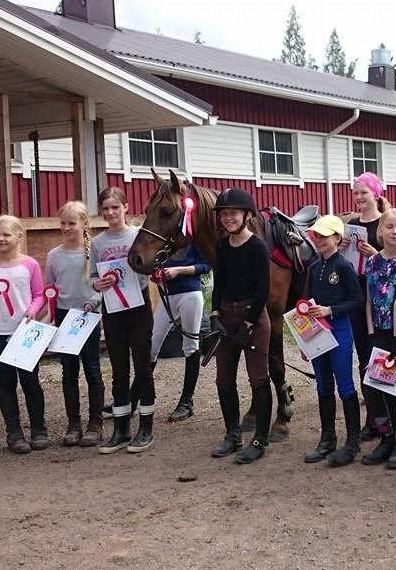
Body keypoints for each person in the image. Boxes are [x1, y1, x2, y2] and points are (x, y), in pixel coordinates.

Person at [208, 188, 273, 464]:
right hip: (227, 315)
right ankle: (233, 434)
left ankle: (259, 439)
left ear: (246, 215)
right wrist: (214, 313)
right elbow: (219, 281)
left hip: (253, 316)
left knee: (258, 377)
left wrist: (249, 323)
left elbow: (263, 289)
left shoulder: (257, 246)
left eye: (232, 213)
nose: (227, 218)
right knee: (223, 378)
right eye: (223, 214)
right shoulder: (223, 246)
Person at [0, 214, 47, 454]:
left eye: (6, 234)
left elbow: (39, 294)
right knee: (6, 382)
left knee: (30, 381)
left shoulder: (30, 265)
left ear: (18, 236)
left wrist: (32, 311)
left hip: (24, 331)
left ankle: (38, 429)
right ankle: (13, 432)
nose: (1, 238)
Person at [90, 187, 155, 455]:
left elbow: (150, 267)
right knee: (118, 369)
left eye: (115, 207)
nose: (110, 213)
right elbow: (93, 276)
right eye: (105, 209)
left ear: (125, 207)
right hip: (113, 310)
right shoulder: (97, 243)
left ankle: (146, 426)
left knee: (142, 367)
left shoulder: (138, 235)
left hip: (138, 307)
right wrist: (99, 284)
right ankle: (120, 427)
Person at [302, 214, 365, 467]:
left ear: (338, 239)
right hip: (317, 333)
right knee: (323, 386)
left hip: (338, 329)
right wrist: (304, 340)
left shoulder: (343, 266)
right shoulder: (314, 268)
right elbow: (304, 305)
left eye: (325, 236)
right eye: (316, 236)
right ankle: (327, 438)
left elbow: (357, 300)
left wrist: (331, 310)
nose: (319, 241)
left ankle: (352, 442)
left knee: (345, 385)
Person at [45, 201, 105, 447]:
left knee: (92, 369)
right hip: (63, 317)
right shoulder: (54, 255)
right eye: (63, 223)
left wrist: (93, 302)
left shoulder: (93, 253)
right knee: (68, 370)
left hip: (87, 317)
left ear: (84, 224)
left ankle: (95, 423)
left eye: (72, 223)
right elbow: (50, 287)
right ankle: (73, 424)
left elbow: (103, 285)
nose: (67, 228)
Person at [360, 208, 396, 469]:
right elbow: (371, 298)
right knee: (373, 384)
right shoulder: (372, 262)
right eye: (390, 226)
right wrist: (371, 332)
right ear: (380, 230)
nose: (395, 231)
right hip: (377, 331)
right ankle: (385, 436)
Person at [345, 172, 390, 441]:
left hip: (381, 296)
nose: (359, 197)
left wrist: (375, 256)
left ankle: (391, 414)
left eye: (364, 192)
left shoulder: (386, 222)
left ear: (375, 193)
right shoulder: (350, 224)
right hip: (357, 294)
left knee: (383, 354)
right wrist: (341, 247)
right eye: (356, 192)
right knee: (364, 357)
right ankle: (373, 418)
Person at [149, 243, 210, 423]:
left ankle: (186, 402)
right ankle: (136, 396)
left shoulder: (194, 237)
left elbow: (205, 266)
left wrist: (178, 271)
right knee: (151, 344)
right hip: (167, 294)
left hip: (190, 293)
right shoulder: (165, 241)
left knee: (190, 346)